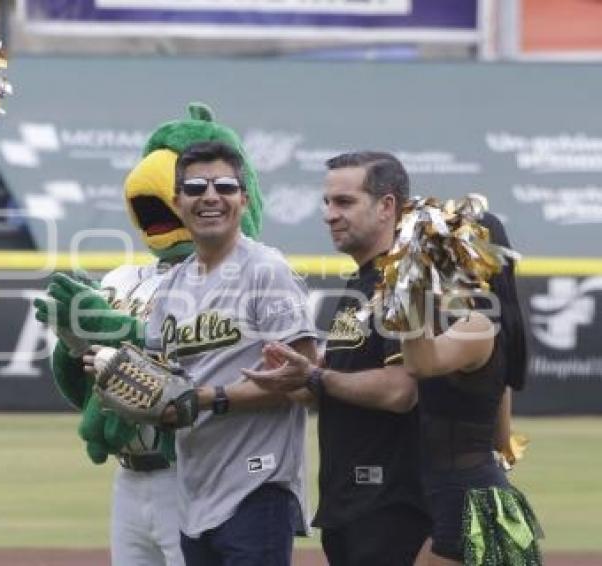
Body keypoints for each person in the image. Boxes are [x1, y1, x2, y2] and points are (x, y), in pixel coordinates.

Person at [35, 104, 265, 566]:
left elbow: (196, 355)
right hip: (128, 476)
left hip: (191, 470)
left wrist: (115, 330)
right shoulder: (123, 278)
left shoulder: (234, 274)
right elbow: (87, 386)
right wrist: (73, 338)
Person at [120, 140, 317, 566]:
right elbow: (160, 379)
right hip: (194, 491)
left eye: (225, 186)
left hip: (257, 484)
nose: (211, 196)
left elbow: (304, 380)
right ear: (177, 202)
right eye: (195, 188)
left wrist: (211, 398)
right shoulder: (173, 287)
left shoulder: (267, 271)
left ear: (243, 200)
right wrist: (120, 382)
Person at [243, 152, 430, 565]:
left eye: (344, 202)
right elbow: (337, 383)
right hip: (349, 502)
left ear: (387, 207)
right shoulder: (361, 280)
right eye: (326, 202)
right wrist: (294, 381)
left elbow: (401, 390)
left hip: (391, 505)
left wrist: (312, 377)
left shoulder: (403, 281)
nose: (329, 215)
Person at [400, 212, 543, 565]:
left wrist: (409, 291)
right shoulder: (489, 321)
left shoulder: (476, 323)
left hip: (463, 503)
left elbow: (419, 364)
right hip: (480, 498)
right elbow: (500, 438)